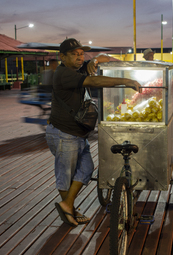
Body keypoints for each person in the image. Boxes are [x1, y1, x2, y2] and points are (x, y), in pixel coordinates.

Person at [46, 38, 140, 227]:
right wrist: (126, 81)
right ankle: (69, 209)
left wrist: (95, 60)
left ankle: (68, 205)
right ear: (62, 57)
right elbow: (95, 80)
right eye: (75, 54)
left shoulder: (76, 69)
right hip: (64, 133)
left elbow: (103, 60)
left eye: (82, 54)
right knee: (65, 175)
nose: (80, 57)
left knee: (87, 169)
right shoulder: (64, 74)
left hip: (78, 134)